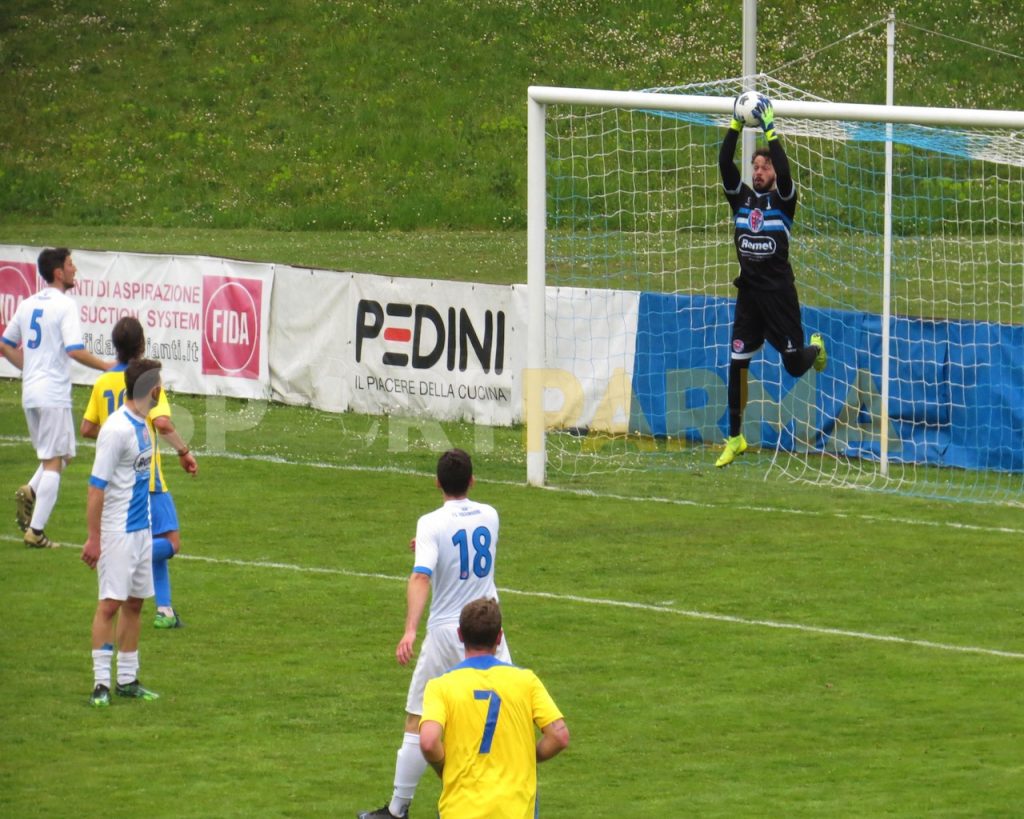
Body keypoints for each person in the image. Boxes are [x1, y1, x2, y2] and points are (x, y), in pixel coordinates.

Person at [359, 449, 511, 819]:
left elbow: (422, 576)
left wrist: (409, 629)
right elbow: (468, 544)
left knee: (418, 718)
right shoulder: (491, 515)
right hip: (491, 627)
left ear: (437, 482)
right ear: (473, 481)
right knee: (508, 711)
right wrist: (428, 544)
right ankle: (505, 789)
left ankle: (397, 810)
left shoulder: (430, 522)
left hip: (449, 630)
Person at [716, 96, 827, 468]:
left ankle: (815, 346)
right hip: (749, 296)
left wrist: (770, 129)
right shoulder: (741, 200)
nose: (760, 170)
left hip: (779, 297)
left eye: (765, 166)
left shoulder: (784, 202)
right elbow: (723, 165)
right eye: (756, 165)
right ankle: (735, 438)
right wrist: (734, 125)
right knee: (736, 364)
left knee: (795, 365)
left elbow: (785, 167)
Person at [81, 316, 198, 629]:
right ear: (142, 344)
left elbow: (87, 427)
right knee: (170, 542)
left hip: (119, 481)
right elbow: (161, 422)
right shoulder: (146, 379)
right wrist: (184, 451)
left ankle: (165, 611)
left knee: (156, 537)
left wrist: (115, 438)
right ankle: (128, 556)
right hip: (148, 477)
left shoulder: (104, 381)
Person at [0, 247, 112, 546]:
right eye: (70, 264)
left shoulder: (28, 304)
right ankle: (36, 532)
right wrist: (105, 366)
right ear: (59, 272)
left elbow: (5, 344)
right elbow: (73, 348)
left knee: (64, 455)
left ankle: (31, 491)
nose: (75, 269)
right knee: (54, 462)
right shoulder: (64, 305)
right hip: (52, 393)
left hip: (31, 393)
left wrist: (29, 366)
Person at [419, 597, 569, 818]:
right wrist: (526, 757)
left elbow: (429, 741)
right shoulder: (526, 681)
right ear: (499, 637)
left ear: (460, 635)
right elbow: (559, 736)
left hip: (461, 810)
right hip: (515, 811)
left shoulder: (441, 686)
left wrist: (444, 766)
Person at [81, 358, 165, 707]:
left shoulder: (145, 424)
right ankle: (101, 684)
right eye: (161, 383)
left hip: (141, 530)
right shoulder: (116, 430)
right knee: (109, 604)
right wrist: (94, 537)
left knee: (134, 603)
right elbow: (96, 487)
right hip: (117, 532)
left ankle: (127, 679)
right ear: (152, 389)